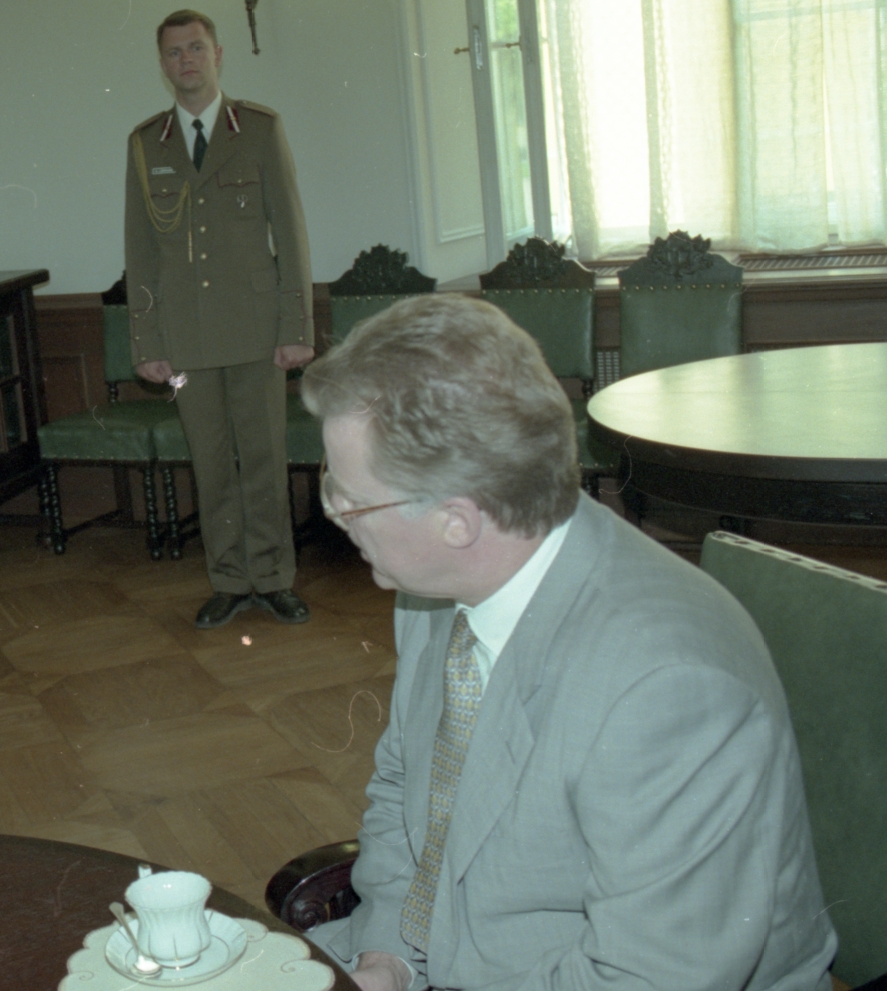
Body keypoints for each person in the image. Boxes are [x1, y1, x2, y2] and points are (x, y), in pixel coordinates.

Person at [300, 295, 836, 989]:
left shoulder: (663, 689)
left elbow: (649, 977)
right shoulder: (433, 588)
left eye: (350, 499)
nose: (337, 514)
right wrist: (387, 958)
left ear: (456, 521)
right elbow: (407, 792)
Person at [125, 9, 314, 629]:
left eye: (196, 48)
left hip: (258, 334)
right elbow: (140, 251)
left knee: (263, 457)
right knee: (209, 463)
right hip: (185, 347)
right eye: (174, 52)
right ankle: (229, 579)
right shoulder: (145, 143)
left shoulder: (257, 129)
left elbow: (290, 233)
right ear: (162, 64)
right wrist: (147, 341)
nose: (186, 60)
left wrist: (296, 329)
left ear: (218, 54)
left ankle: (274, 578)